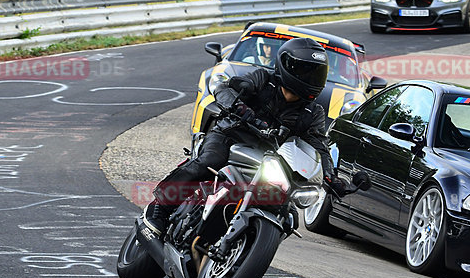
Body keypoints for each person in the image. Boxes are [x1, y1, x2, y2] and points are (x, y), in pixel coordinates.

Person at [143, 37, 346, 237]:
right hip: (230, 136)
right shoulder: (263, 80)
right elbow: (224, 89)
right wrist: (240, 108)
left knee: (287, 210)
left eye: (317, 74)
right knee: (208, 161)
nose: (312, 79)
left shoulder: (313, 112)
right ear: (287, 67)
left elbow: (319, 145)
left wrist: (330, 177)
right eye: (306, 71)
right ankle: (161, 206)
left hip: (268, 158)